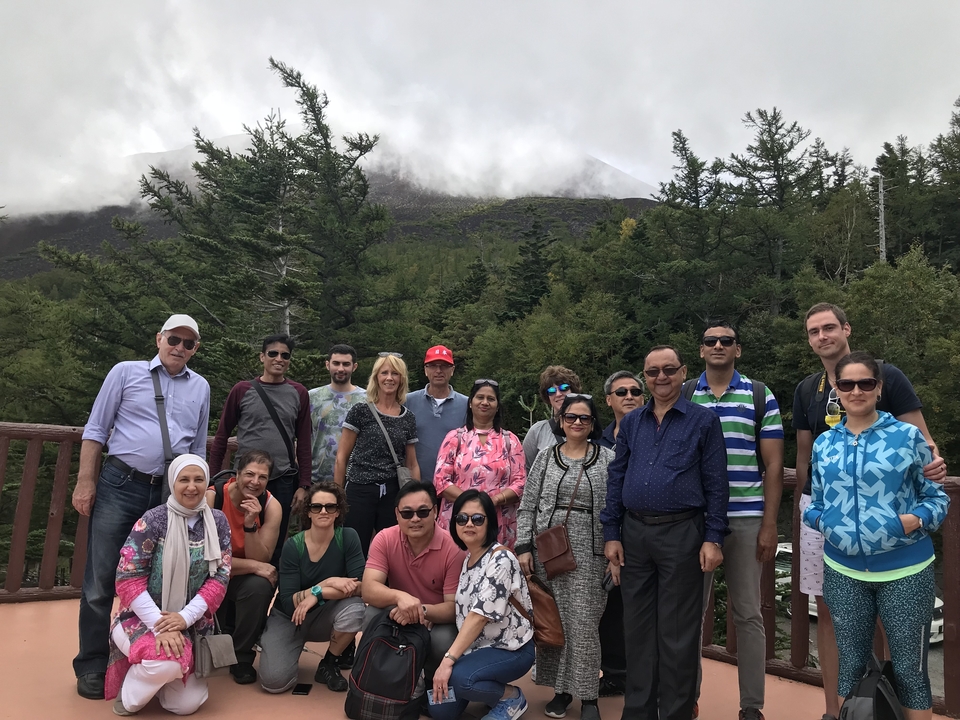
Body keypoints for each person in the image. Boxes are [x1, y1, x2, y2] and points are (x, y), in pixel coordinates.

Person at [793, 303, 947, 720]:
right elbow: (816, 496)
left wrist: (911, 521)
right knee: (850, 668)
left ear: (880, 387)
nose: (856, 391)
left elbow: (936, 494)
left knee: (911, 673)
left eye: (865, 384)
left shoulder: (907, 436)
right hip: (843, 569)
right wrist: (823, 521)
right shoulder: (827, 441)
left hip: (905, 568)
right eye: (847, 385)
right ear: (837, 391)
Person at [71, 313, 211, 701]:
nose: (180, 348)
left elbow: (197, 449)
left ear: (195, 349)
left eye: (188, 343)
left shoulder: (200, 386)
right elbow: (96, 430)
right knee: (101, 578)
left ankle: (146, 656)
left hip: (171, 494)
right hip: (121, 484)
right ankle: (93, 663)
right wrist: (85, 481)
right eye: (174, 340)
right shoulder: (125, 373)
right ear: (159, 339)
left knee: (166, 577)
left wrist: (199, 492)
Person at [601, 345, 728, 720]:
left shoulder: (703, 421)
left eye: (669, 370)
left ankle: (675, 714)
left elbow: (717, 483)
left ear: (683, 372)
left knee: (677, 636)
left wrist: (714, 536)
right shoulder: (634, 422)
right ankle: (637, 713)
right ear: (645, 375)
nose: (661, 377)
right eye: (653, 371)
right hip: (635, 534)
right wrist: (612, 532)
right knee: (637, 633)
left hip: (682, 533)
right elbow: (617, 476)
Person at [686, 322, 784, 720]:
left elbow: (775, 465)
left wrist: (770, 523)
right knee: (691, 612)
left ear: (737, 350)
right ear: (701, 350)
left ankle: (751, 707)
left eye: (726, 341)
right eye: (711, 341)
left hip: (746, 517)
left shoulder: (760, 395)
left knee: (748, 613)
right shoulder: (685, 393)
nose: (719, 346)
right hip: (695, 519)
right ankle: (685, 697)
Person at [105, 454, 231, 716]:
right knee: (167, 664)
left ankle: (160, 675)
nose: (191, 486)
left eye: (198, 479)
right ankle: (129, 699)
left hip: (191, 624)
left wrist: (184, 618)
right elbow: (128, 578)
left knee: (184, 706)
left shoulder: (217, 522)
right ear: (173, 482)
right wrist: (160, 626)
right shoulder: (153, 520)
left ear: (207, 482)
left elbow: (219, 577)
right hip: (141, 618)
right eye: (184, 479)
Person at [517, 394, 614, 720]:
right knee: (553, 624)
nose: (576, 422)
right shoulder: (545, 457)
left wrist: (615, 555)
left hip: (591, 553)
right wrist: (524, 547)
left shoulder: (608, 460)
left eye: (583, 418)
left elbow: (617, 511)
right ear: (560, 420)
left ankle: (588, 697)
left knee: (584, 626)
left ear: (592, 423)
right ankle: (560, 691)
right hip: (548, 552)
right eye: (570, 417)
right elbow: (528, 504)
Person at [431, 490, 536, 720]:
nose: (469, 524)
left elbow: (479, 616)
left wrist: (447, 661)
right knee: (440, 710)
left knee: (461, 680)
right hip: (477, 649)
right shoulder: (469, 558)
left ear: (489, 522)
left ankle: (511, 697)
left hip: (511, 648)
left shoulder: (500, 559)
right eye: (461, 518)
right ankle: (484, 689)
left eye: (477, 519)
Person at [209, 334, 312, 566]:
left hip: (282, 480)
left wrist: (304, 484)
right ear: (262, 357)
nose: (279, 359)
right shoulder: (242, 390)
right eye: (273, 353)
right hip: (246, 480)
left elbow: (304, 442)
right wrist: (213, 479)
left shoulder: (299, 393)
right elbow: (222, 435)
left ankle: (265, 594)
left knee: (274, 545)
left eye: (285, 355)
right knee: (230, 537)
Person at [259, 482, 366, 693]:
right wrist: (325, 584)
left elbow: (361, 586)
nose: (323, 511)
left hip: (326, 612)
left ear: (338, 512)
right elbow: (289, 603)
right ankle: (275, 642)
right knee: (274, 682)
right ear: (308, 512)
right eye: (317, 507)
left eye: (330, 507)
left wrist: (318, 594)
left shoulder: (348, 537)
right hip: (291, 617)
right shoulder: (293, 546)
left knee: (355, 608)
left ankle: (329, 662)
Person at [361, 481, 466, 689]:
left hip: (433, 620)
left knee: (445, 639)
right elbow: (368, 589)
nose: (415, 519)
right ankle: (376, 674)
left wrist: (421, 610)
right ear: (397, 514)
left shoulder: (454, 548)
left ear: (435, 511)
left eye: (423, 512)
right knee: (372, 614)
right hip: (398, 612)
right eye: (407, 513)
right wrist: (400, 598)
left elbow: (454, 607)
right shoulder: (384, 538)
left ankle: (427, 682)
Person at [204, 449, 282, 685]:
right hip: (208, 572)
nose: (255, 482)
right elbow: (207, 559)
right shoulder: (213, 498)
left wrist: (250, 525)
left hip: (238, 572)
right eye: (250, 474)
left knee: (260, 586)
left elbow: (262, 557)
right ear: (236, 474)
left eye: (263, 477)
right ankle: (203, 644)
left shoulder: (270, 505)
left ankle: (241, 656)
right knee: (257, 574)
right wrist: (253, 566)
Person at [335, 352, 421, 557]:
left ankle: (384, 587)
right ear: (376, 377)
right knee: (355, 546)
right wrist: (337, 496)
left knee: (391, 549)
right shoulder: (361, 411)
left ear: (401, 379)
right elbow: (341, 457)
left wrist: (417, 498)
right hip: (359, 489)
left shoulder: (408, 417)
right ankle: (354, 586)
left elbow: (412, 463)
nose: (389, 378)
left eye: (395, 373)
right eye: (384, 373)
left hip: (392, 492)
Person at [595, 371, 645, 698]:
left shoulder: (655, 433)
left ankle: (644, 675)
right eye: (620, 391)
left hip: (646, 531)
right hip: (607, 533)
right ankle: (615, 674)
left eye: (635, 391)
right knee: (611, 608)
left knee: (644, 608)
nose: (628, 395)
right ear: (609, 399)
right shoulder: (596, 442)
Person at [434, 379, 526, 547]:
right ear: (470, 403)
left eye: (491, 399)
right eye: (480, 397)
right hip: (459, 520)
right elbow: (441, 481)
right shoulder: (455, 438)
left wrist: (495, 500)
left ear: (497, 406)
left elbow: (520, 482)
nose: (485, 402)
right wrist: (471, 503)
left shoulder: (510, 440)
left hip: (498, 520)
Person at [405, 345, 469, 484]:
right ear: (425, 370)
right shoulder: (407, 401)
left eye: (444, 366)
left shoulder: (467, 405)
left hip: (454, 486)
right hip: (416, 485)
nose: (438, 370)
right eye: (433, 365)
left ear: (452, 370)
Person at [310, 344, 366, 483]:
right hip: (316, 479)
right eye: (336, 363)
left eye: (346, 364)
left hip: (355, 479)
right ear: (327, 365)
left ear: (354, 367)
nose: (341, 369)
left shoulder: (367, 399)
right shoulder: (312, 397)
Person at [522, 365, 582, 469]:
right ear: (548, 397)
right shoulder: (537, 432)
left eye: (564, 388)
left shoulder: (588, 427)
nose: (558, 394)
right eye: (551, 391)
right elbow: (525, 470)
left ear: (573, 390)